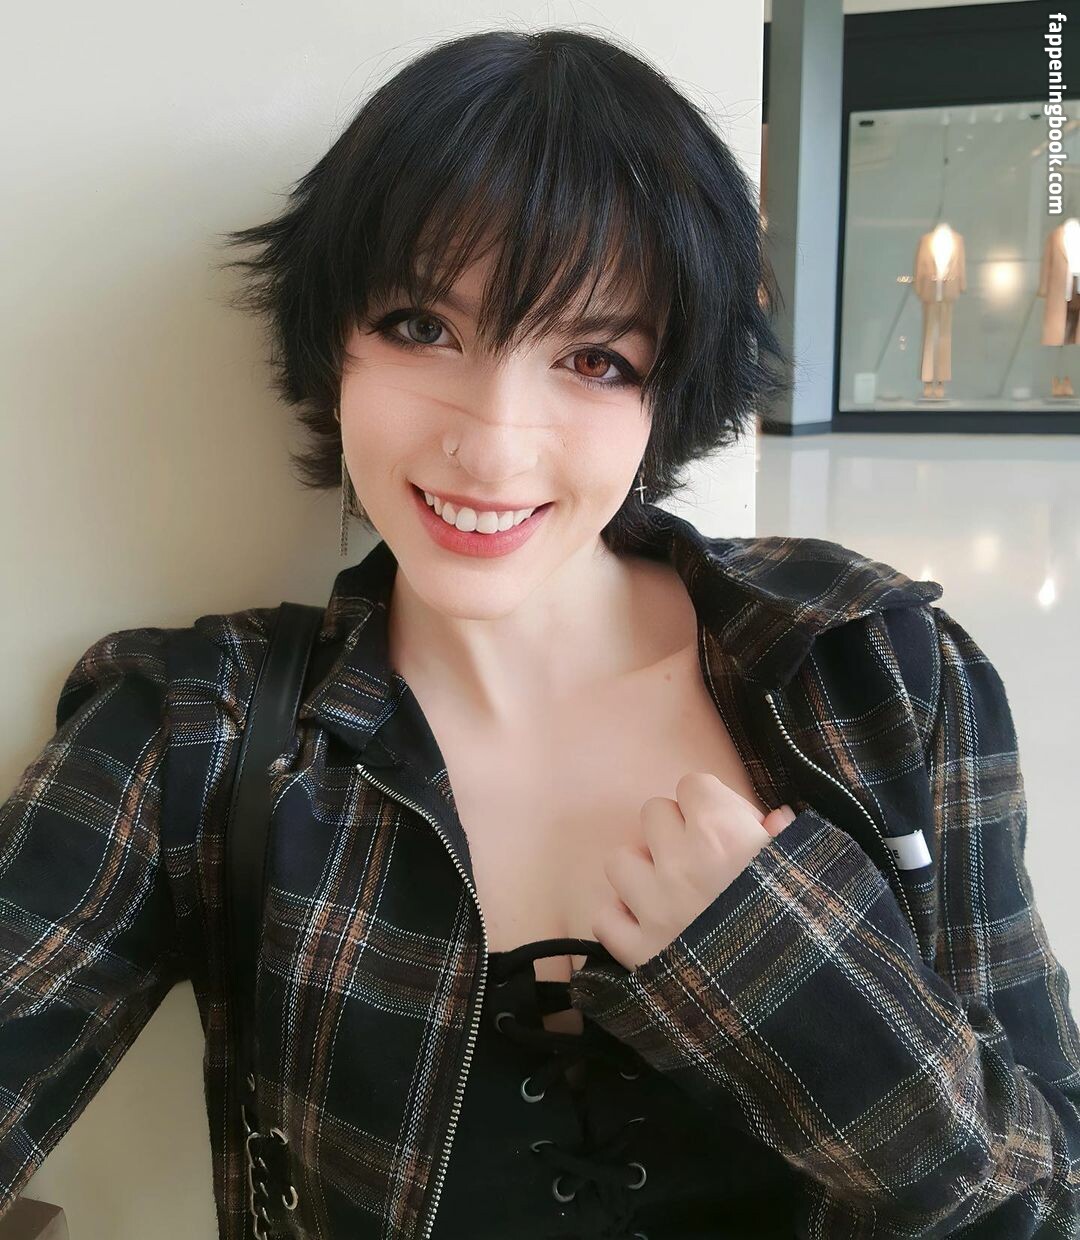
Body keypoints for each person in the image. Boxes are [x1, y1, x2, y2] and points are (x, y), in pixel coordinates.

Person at [2, 27, 1078, 1240]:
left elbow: (1052, 1203)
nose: (492, 443)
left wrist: (787, 972)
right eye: (421, 325)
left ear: (672, 388)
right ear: (330, 341)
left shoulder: (871, 671)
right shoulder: (199, 735)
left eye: (594, 358)